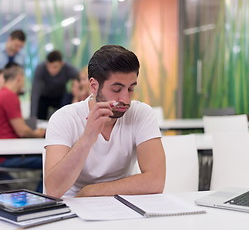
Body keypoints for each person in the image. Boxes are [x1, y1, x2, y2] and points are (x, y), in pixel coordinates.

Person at [44, 45, 166, 198]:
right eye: (116, 89)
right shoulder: (64, 118)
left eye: (130, 89)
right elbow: (53, 190)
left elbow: (155, 181)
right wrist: (87, 138)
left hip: (121, 204)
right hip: (72, 207)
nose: (125, 99)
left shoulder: (141, 114)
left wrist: (92, 191)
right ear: (94, 86)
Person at [0, 63, 46, 192]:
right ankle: (41, 197)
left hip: (2, 151)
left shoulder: (2, 94)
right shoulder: (9, 96)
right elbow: (22, 131)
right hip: (7, 155)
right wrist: (38, 134)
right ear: (19, 78)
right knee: (50, 161)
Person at [30, 50, 78, 120]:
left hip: (61, 96)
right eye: (49, 67)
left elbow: (80, 78)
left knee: (66, 106)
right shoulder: (40, 68)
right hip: (44, 96)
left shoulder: (68, 69)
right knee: (39, 108)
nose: (51, 70)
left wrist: (76, 92)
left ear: (62, 64)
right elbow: (35, 92)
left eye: (55, 67)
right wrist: (32, 117)